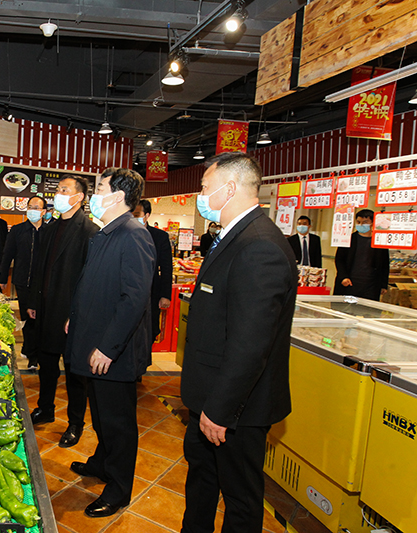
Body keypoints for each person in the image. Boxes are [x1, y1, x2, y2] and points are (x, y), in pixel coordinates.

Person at [181, 152, 298, 533]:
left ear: (228, 189)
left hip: (235, 408)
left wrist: (219, 409)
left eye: (204, 187)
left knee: (240, 498)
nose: (200, 194)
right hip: (211, 398)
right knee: (202, 481)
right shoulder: (232, 238)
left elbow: (251, 343)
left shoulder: (259, 245)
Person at [66, 168, 156, 517]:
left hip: (112, 350)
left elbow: (133, 299)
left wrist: (108, 347)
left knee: (118, 423)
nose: (94, 194)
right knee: (101, 414)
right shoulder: (107, 232)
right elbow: (93, 284)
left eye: (100, 188)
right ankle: (102, 463)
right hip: (94, 339)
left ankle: (118, 489)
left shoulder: (133, 234)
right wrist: (77, 315)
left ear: (118, 196)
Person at [27, 175, 99, 448]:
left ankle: (75, 423)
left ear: (78, 197)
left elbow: (89, 280)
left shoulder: (89, 232)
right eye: (58, 189)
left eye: (63, 189)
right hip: (46, 308)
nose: (57, 193)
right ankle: (45, 408)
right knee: (47, 364)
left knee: (74, 373)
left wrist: (77, 314)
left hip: (70, 313)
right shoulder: (49, 227)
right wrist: (33, 302)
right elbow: (39, 269)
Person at [0, 196, 48, 370]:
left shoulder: (49, 232)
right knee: (29, 318)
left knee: (41, 318)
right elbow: (7, 255)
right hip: (22, 282)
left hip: (43, 284)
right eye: (30, 207)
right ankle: (32, 357)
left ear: (43, 212)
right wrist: (3, 278)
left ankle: (31, 348)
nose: (32, 210)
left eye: (36, 207)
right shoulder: (18, 230)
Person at [333, 208, 389, 301]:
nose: (361, 225)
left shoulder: (379, 241)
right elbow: (339, 259)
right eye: (358, 222)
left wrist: (383, 284)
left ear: (372, 223)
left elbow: (384, 264)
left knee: (368, 313)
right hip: (349, 283)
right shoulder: (348, 239)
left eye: (365, 222)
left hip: (371, 286)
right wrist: (343, 276)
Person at [138, 200, 173, 340]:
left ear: (146, 216)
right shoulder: (123, 233)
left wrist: (165, 295)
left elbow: (166, 267)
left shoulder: (160, 237)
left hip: (151, 291)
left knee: (149, 330)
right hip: (126, 291)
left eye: (137, 214)